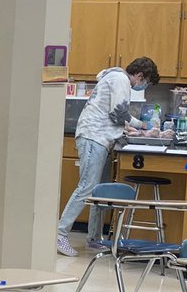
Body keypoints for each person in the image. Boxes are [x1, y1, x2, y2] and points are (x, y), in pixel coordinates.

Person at [56, 57, 159, 256]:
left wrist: (129, 126)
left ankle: (93, 239)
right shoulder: (121, 80)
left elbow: (113, 115)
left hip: (100, 138)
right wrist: (143, 126)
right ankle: (60, 234)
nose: (143, 85)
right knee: (86, 188)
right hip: (93, 137)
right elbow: (118, 114)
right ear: (140, 76)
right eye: (145, 81)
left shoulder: (114, 77)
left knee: (98, 192)